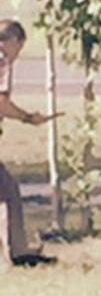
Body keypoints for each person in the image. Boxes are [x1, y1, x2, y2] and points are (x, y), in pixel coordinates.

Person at [0, 20, 56, 265]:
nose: (17, 56)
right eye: (19, 49)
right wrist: (28, 118)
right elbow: (0, 103)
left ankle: (16, 253)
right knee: (8, 192)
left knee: (7, 192)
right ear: (13, 41)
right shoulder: (2, 61)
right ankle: (18, 255)